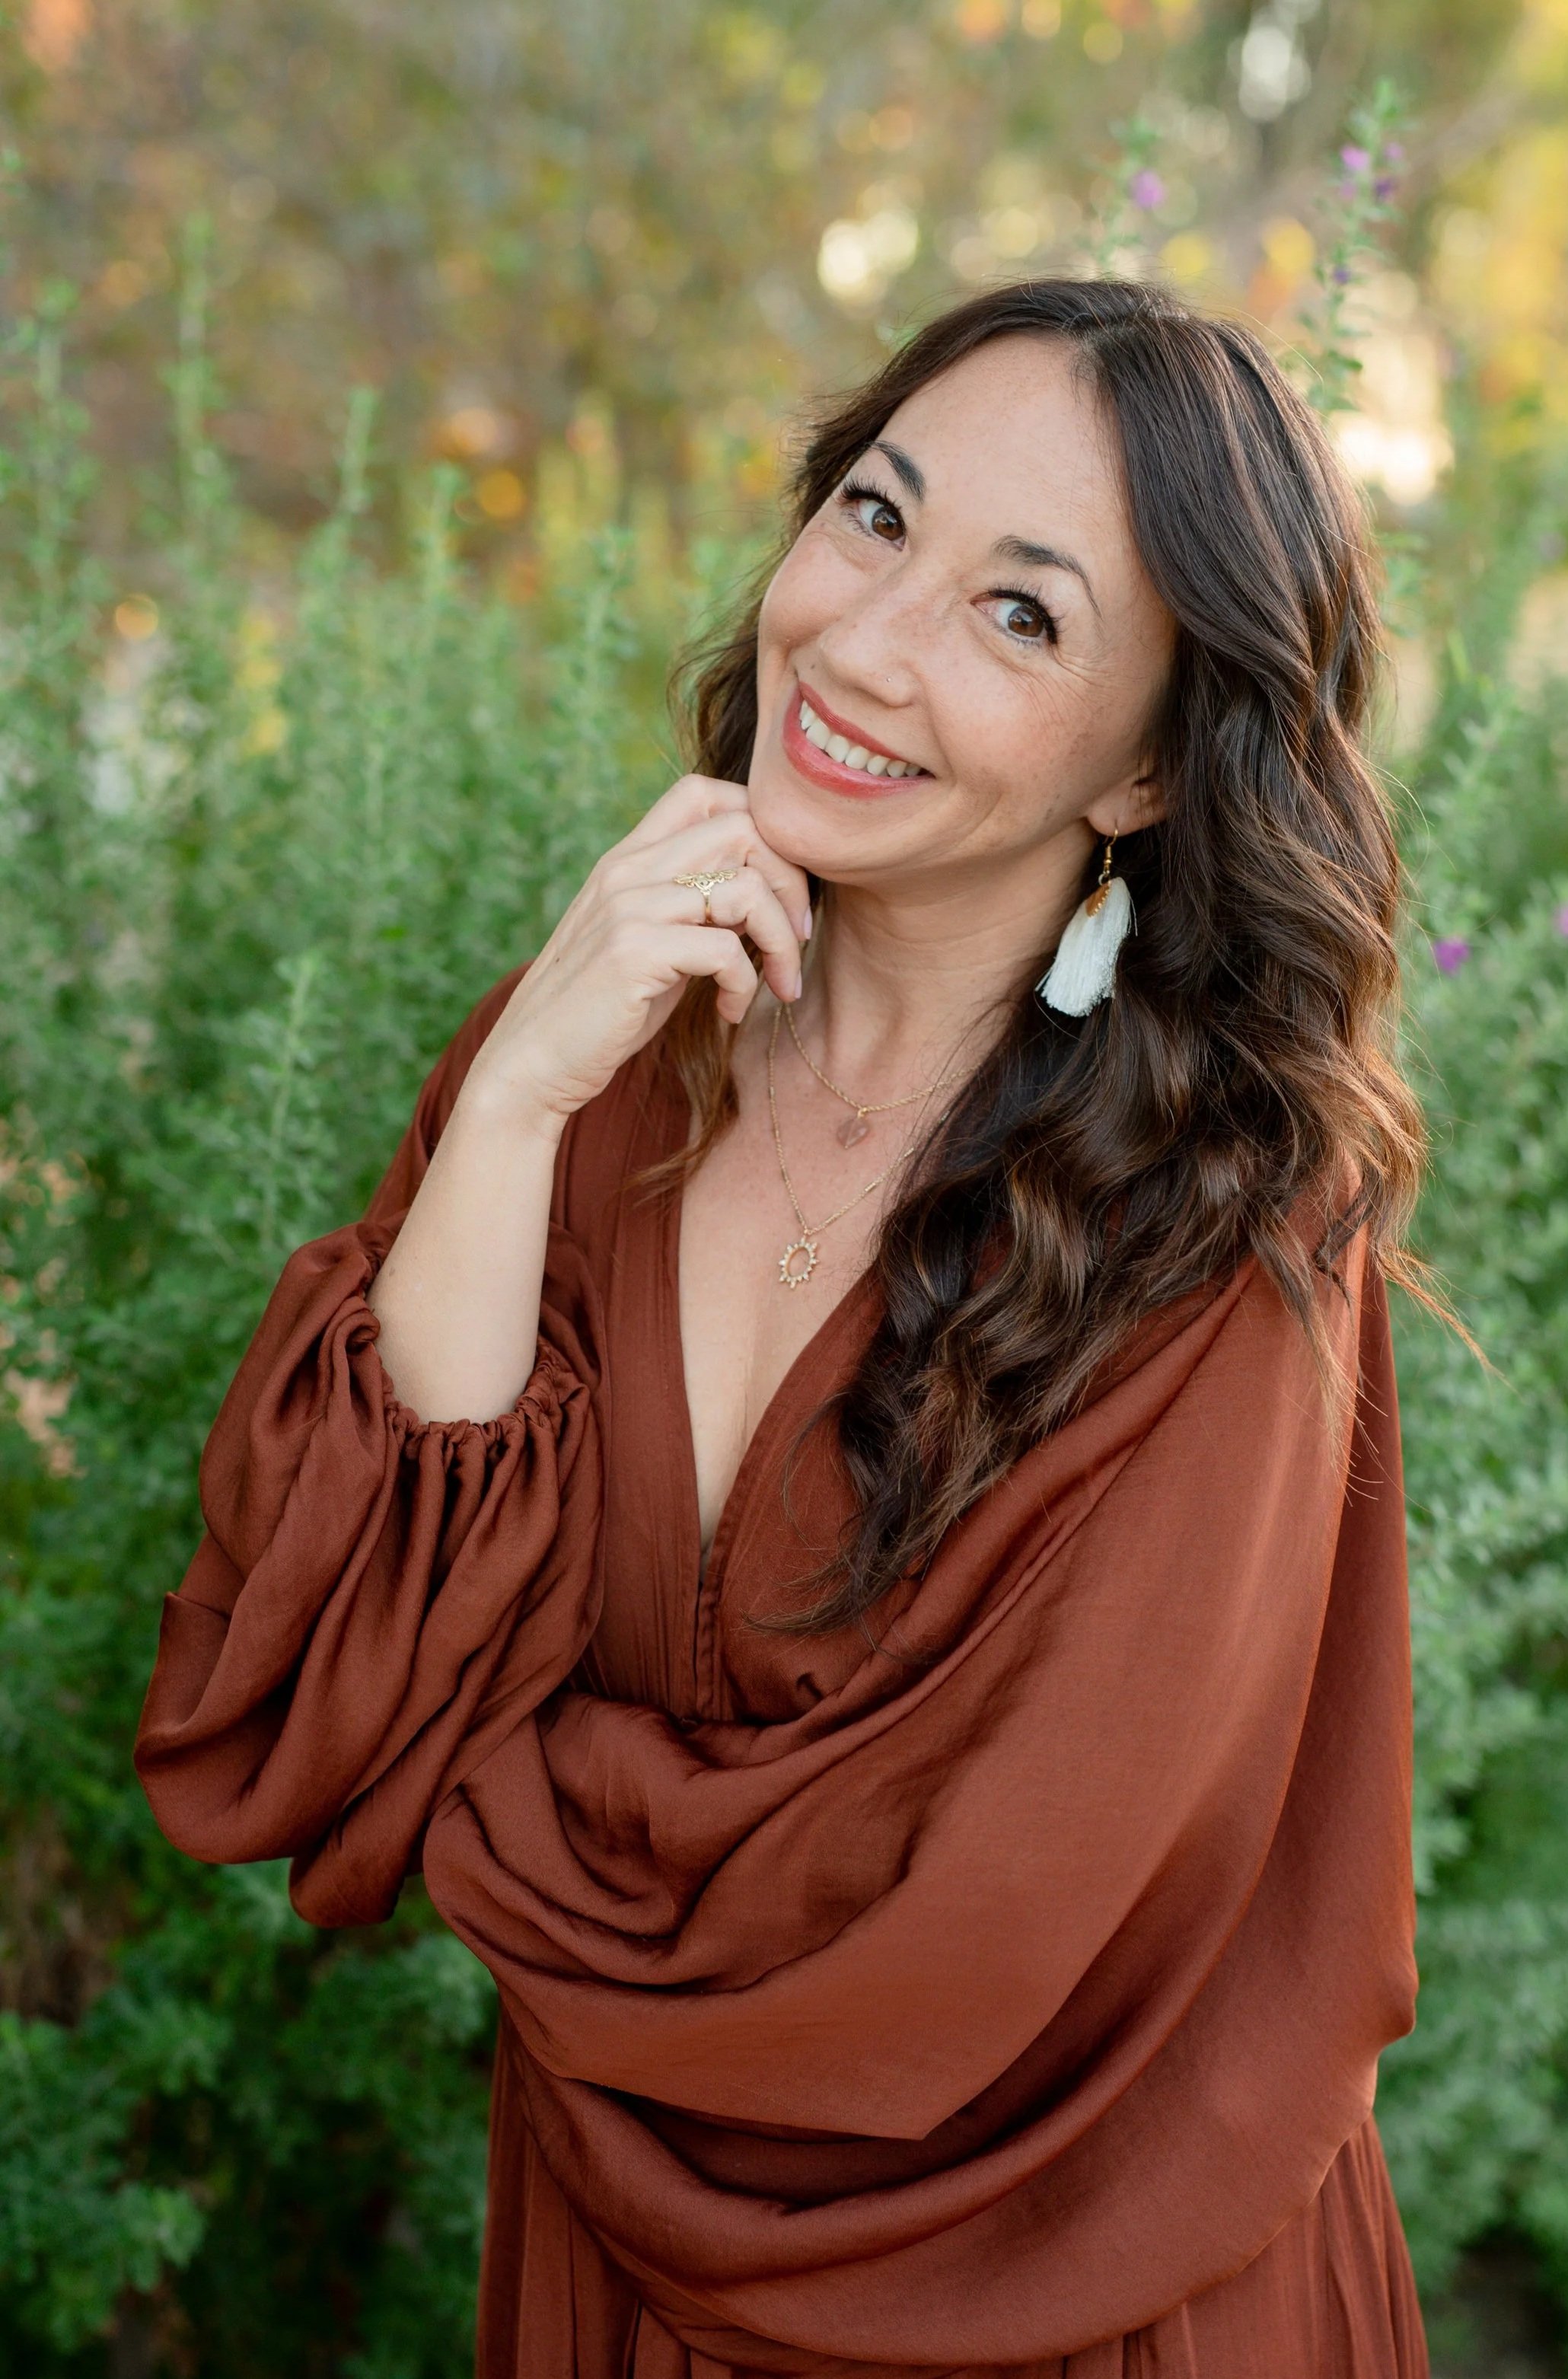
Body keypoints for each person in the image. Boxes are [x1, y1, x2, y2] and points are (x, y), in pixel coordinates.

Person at [135, 277, 1432, 2377]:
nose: (866, 638)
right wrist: (526, 1090)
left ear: (1139, 778)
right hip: (618, 2257)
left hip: (1062, 2282)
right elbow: (356, 1645)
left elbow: (998, 1928)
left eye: (1022, 618)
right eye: (872, 514)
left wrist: (518, 1780)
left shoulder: (1232, 1227)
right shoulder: (615, 1054)